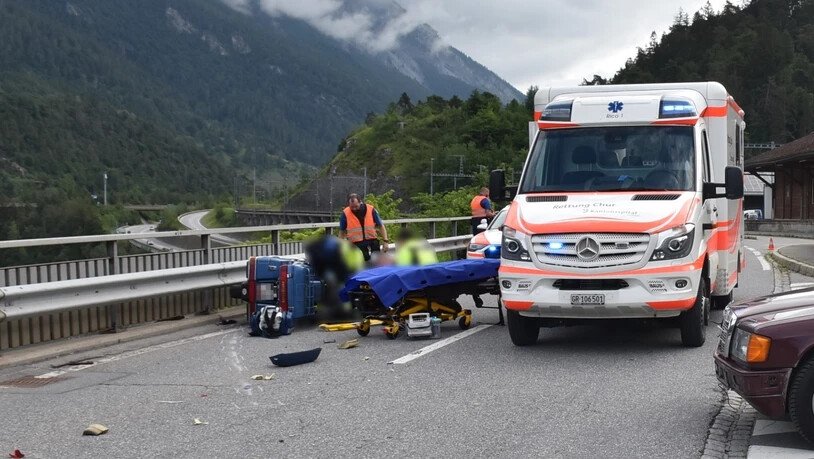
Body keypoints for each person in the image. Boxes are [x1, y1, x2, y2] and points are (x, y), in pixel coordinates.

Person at [339, 193, 389, 261]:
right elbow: (342, 232)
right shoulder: (345, 213)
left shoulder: (371, 209)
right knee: (363, 261)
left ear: (360, 202)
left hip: (372, 240)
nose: (354, 209)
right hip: (356, 244)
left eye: (356, 206)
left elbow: (380, 226)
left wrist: (385, 241)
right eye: (352, 207)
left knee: (376, 261)